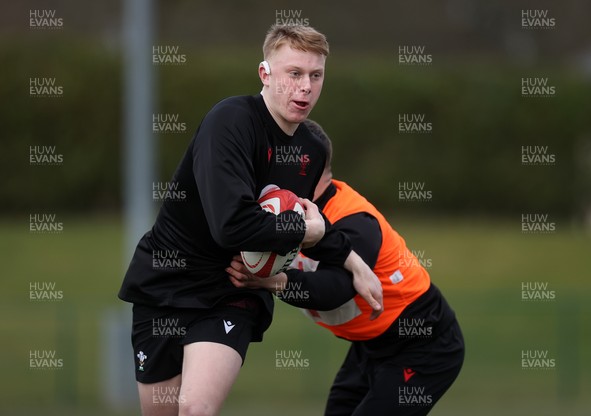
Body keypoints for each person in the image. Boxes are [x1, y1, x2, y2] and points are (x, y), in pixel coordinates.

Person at [118, 26, 383, 416]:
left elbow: (306, 221)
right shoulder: (229, 122)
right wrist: (305, 231)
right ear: (265, 74)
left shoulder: (309, 148)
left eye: (316, 75)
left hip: (233, 287)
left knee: (194, 409)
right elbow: (232, 225)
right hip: (165, 285)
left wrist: (353, 262)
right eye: (294, 73)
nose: (306, 87)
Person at [228, 119, 464, 415]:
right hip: (368, 345)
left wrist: (269, 281)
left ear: (309, 168)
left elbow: (334, 290)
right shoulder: (284, 209)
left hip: (422, 343)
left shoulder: (354, 220)